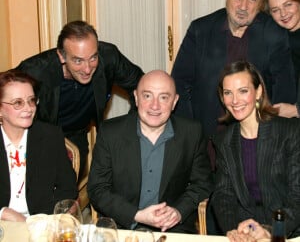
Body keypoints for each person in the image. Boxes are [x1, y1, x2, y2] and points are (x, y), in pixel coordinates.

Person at [171, 0, 296, 143]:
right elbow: (179, 81)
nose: (243, 6)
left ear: (261, 3)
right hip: (207, 136)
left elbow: (284, 89)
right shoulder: (200, 30)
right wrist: (191, 132)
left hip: (257, 137)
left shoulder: (273, 33)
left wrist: (270, 135)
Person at [87, 70, 213, 233]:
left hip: (171, 228)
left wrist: (178, 211)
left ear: (174, 102)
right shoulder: (111, 133)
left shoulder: (191, 133)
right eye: (147, 96)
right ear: (136, 97)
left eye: (164, 97)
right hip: (121, 226)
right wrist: (136, 215)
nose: (155, 106)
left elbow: (203, 183)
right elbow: (97, 189)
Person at [16, 20, 144, 176]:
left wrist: (131, 126)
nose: (87, 68)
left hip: (77, 135)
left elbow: (142, 86)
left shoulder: (109, 57)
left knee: (70, 186)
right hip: (41, 135)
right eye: (78, 60)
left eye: (93, 58)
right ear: (61, 56)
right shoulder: (35, 70)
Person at [211, 61, 300, 240]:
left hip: (288, 232)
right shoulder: (224, 141)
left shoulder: (290, 131)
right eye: (228, 93)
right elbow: (223, 195)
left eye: (243, 91)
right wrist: (235, 230)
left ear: (258, 92)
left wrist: (272, 230)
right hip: (247, 232)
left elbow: (297, 196)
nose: (235, 101)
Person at [0, 69, 78, 222]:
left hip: (41, 224)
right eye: (18, 103)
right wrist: (3, 213)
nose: (29, 108)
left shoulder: (50, 136)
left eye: (31, 100)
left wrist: (45, 220)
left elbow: (68, 188)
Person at [264, 0, 300, 118]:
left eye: (288, 5)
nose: (283, 14)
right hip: (284, 128)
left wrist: (296, 110)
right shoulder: (276, 38)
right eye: (276, 10)